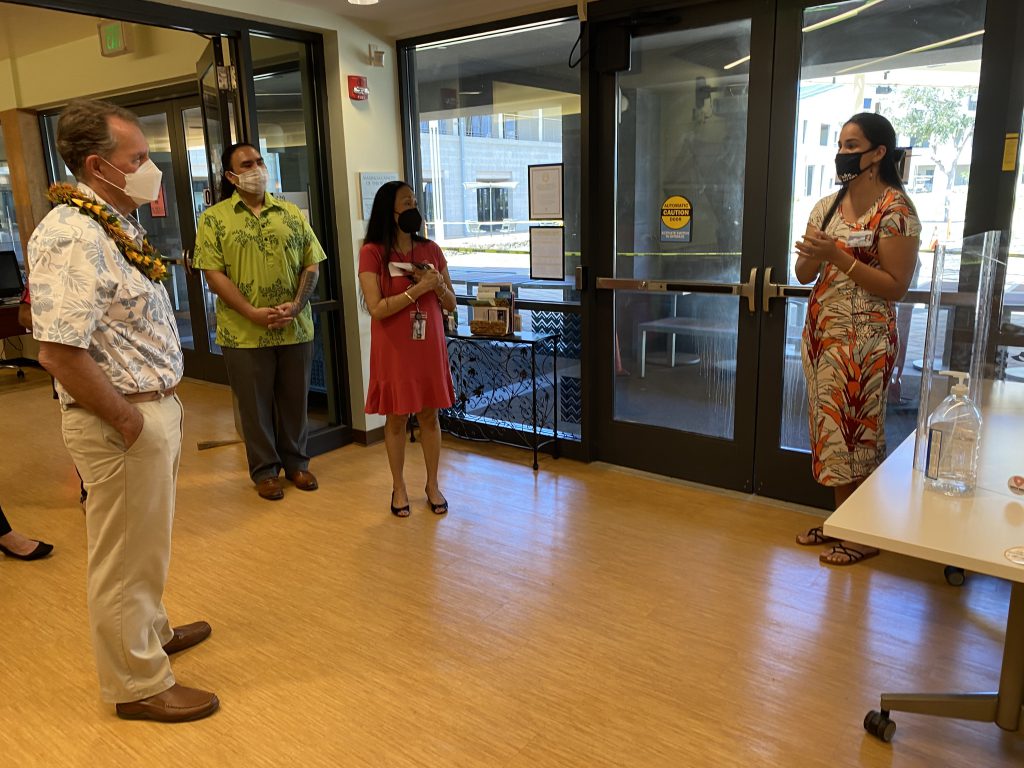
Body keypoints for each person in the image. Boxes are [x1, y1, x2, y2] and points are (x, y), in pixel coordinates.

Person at [28, 99, 218, 722]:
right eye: (137, 158)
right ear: (96, 166)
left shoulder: (113, 223)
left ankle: (152, 631)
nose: (151, 168)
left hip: (149, 406)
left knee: (146, 547)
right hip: (122, 418)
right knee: (122, 559)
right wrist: (128, 419)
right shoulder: (73, 234)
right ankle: (137, 684)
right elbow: (58, 351)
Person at [794, 112, 921, 566]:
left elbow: (895, 285)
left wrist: (839, 255)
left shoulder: (896, 211)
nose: (843, 152)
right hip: (823, 338)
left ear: (878, 153)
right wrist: (813, 256)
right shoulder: (827, 206)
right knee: (832, 434)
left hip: (866, 343)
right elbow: (804, 273)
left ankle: (865, 533)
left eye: (853, 145)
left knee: (858, 435)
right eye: (842, 144)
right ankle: (842, 525)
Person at [193, 143, 325, 501]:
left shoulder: (291, 213)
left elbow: (311, 262)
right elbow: (212, 274)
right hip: (244, 332)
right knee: (254, 405)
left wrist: (297, 305)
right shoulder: (214, 219)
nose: (256, 169)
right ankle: (265, 470)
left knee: (295, 401)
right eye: (246, 165)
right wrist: (250, 312)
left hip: (295, 328)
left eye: (259, 162)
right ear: (231, 176)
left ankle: (297, 463)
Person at [358, 181, 457, 517]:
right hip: (394, 348)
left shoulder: (431, 249)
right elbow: (376, 308)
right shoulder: (372, 252)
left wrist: (438, 285)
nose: (413, 207)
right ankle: (398, 486)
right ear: (390, 210)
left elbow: (452, 304)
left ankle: (432, 484)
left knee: (430, 414)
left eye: (415, 201)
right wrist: (417, 291)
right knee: (397, 417)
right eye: (405, 202)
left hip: (428, 345)